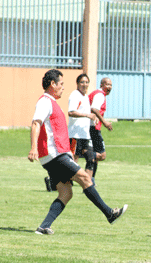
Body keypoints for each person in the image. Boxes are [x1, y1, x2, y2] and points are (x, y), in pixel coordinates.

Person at [28, 69, 127, 235]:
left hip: (53, 155)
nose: (63, 88)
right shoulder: (45, 101)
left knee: (66, 193)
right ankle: (109, 213)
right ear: (53, 84)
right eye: (61, 84)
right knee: (85, 178)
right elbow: (36, 123)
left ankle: (44, 226)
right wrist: (33, 148)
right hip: (55, 154)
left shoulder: (51, 101)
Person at [67, 73, 98, 181]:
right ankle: (61, 181)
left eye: (86, 82)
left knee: (91, 158)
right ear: (77, 83)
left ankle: (88, 184)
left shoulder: (85, 97)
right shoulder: (75, 95)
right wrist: (86, 115)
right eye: (82, 82)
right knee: (73, 160)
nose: (85, 84)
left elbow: (87, 114)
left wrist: (93, 118)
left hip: (85, 135)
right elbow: (71, 112)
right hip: (74, 134)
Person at [88, 77, 114, 181]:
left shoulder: (98, 94)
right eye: (107, 84)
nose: (109, 87)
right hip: (92, 128)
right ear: (101, 85)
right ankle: (82, 154)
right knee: (101, 155)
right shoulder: (99, 95)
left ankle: (91, 179)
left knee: (96, 156)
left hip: (92, 127)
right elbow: (94, 108)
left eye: (111, 85)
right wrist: (105, 122)